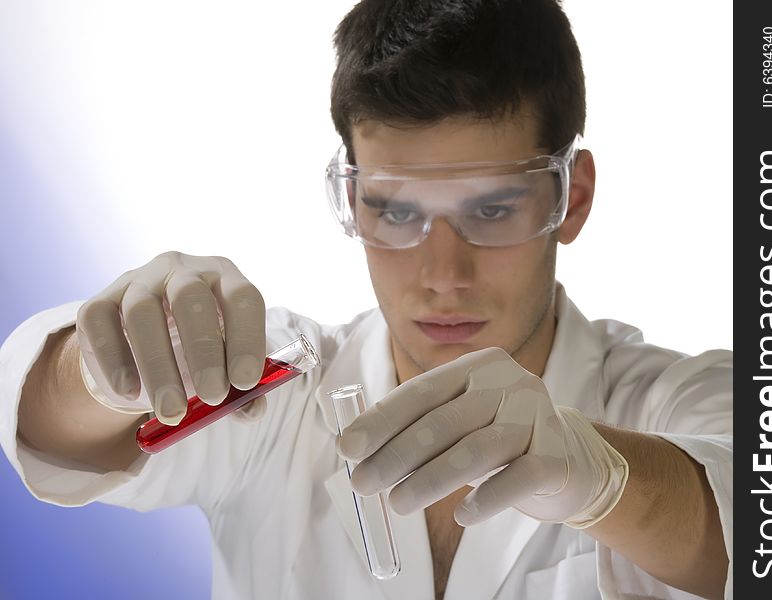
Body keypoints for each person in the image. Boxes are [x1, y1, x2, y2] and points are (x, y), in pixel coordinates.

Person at [0, 1, 732, 599]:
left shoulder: (675, 399)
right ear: (352, 198)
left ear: (571, 198)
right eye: (396, 212)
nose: (442, 273)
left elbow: (764, 532)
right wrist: (105, 367)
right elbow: (47, 429)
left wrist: (601, 476)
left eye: (491, 210)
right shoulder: (278, 399)